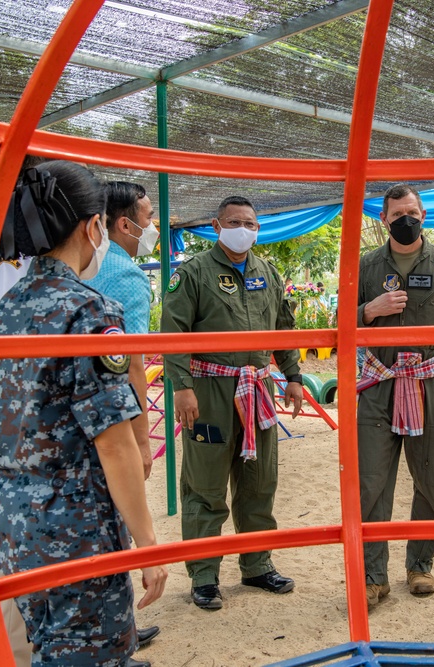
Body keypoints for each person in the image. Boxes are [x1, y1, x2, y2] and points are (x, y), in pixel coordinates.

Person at [0, 161, 167, 666]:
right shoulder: (87, 312)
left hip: (14, 524)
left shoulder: (3, 313)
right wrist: (147, 546)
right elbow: (113, 442)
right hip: (76, 528)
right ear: (94, 226)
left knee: (48, 650)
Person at [161, 195, 303, 611]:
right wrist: (182, 387)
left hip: (258, 389)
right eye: (236, 221)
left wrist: (293, 377)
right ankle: (204, 575)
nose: (245, 229)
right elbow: (173, 333)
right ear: (216, 224)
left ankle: (257, 565)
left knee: (259, 481)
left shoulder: (268, 273)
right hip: (209, 391)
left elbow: (285, 328)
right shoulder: (193, 273)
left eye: (251, 223)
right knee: (205, 486)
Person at [356, 183, 434, 605]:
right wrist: (370, 310)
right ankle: (374, 577)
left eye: (413, 212)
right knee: (372, 480)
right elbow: (341, 321)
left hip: (426, 383)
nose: (406, 220)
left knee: (430, 474)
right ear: (383, 219)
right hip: (378, 385)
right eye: (397, 214)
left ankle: (421, 565)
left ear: (423, 214)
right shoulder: (367, 265)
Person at [85, 181, 158, 481]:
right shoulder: (127, 275)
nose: (153, 226)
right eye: (149, 218)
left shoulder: (81, 263)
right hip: (111, 416)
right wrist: (142, 442)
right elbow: (132, 362)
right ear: (126, 225)